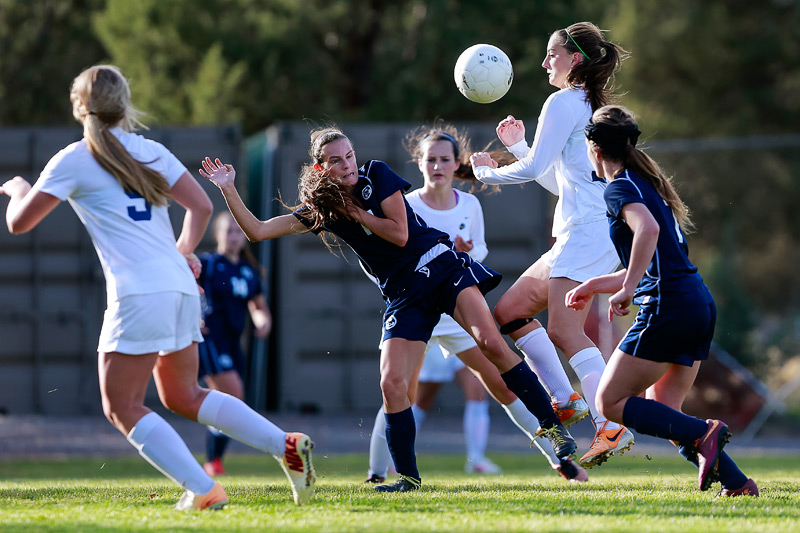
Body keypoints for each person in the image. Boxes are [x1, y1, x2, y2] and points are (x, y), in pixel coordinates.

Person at [0, 65, 315, 510]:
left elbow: (19, 223)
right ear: (125, 104)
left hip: (140, 293)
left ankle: (203, 489)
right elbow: (202, 206)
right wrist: (183, 251)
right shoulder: (151, 150)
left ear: (78, 106)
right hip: (180, 288)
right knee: (182, 395)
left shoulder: (74, 157)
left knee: (121, 406)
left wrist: (18, 189)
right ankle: (283, 444)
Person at [200, 125, 578, 493]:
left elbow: (399, 233)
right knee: (392, 383)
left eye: (350, 155)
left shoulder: (375, 174)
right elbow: (258, 231)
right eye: (336, 160)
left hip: (439, 266)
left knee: (492, 344)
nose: (348, 164)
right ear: (320, 169)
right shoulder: (324, 208)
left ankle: (555, 430)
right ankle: (407, 478)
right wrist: (229, 188)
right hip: (403, 294)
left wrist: (358, 214)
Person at [365, 123, 587, 483]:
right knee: (398, 388)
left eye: (444, 160)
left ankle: (559, 459)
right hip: (415, 307)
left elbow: (480, 250)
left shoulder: (469, 204)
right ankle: (377, 473)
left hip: (453, 308)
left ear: (456, 164)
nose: (437, 166)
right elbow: (386, 256)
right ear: (419, 164)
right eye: (430, 160)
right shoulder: (404, 204)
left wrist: (464, 252)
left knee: (499, 383)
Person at [565, 104, 758, 497]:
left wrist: (626, 288)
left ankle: (706, 431)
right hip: (695, 303)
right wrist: (596, 285)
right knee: (664, 413)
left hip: (669, 306)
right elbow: (653, 257)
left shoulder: (620, 186)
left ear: (594, 148)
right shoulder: (645, 183)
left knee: (611, 400)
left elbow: (647, 232)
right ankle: (738, 485)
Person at [470, 21, 635, 468]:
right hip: (581, 229)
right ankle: (566, 398)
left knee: (565, 330)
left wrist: (486, 171)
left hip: (587, 232)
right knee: (508, 314)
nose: (545, 63)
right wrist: (522, 144)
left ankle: (610, 423)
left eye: (552, 54)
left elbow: (529, 169)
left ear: (574, 60)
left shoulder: (563, 100)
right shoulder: (578, 102)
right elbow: (558, 181)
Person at [198, 212, 273, 477]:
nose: (233, 237)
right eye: (228, 231)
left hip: (233, 343)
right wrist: (192, 316)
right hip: (210, 340)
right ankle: (214, 459)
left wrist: (262, 320)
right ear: (217, 235)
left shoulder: (249, 271)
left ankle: (214, 460)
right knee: (233, 398)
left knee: (228, 404)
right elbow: (183, 288)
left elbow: (258, 306)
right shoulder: (207, 264)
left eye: (237, 232)